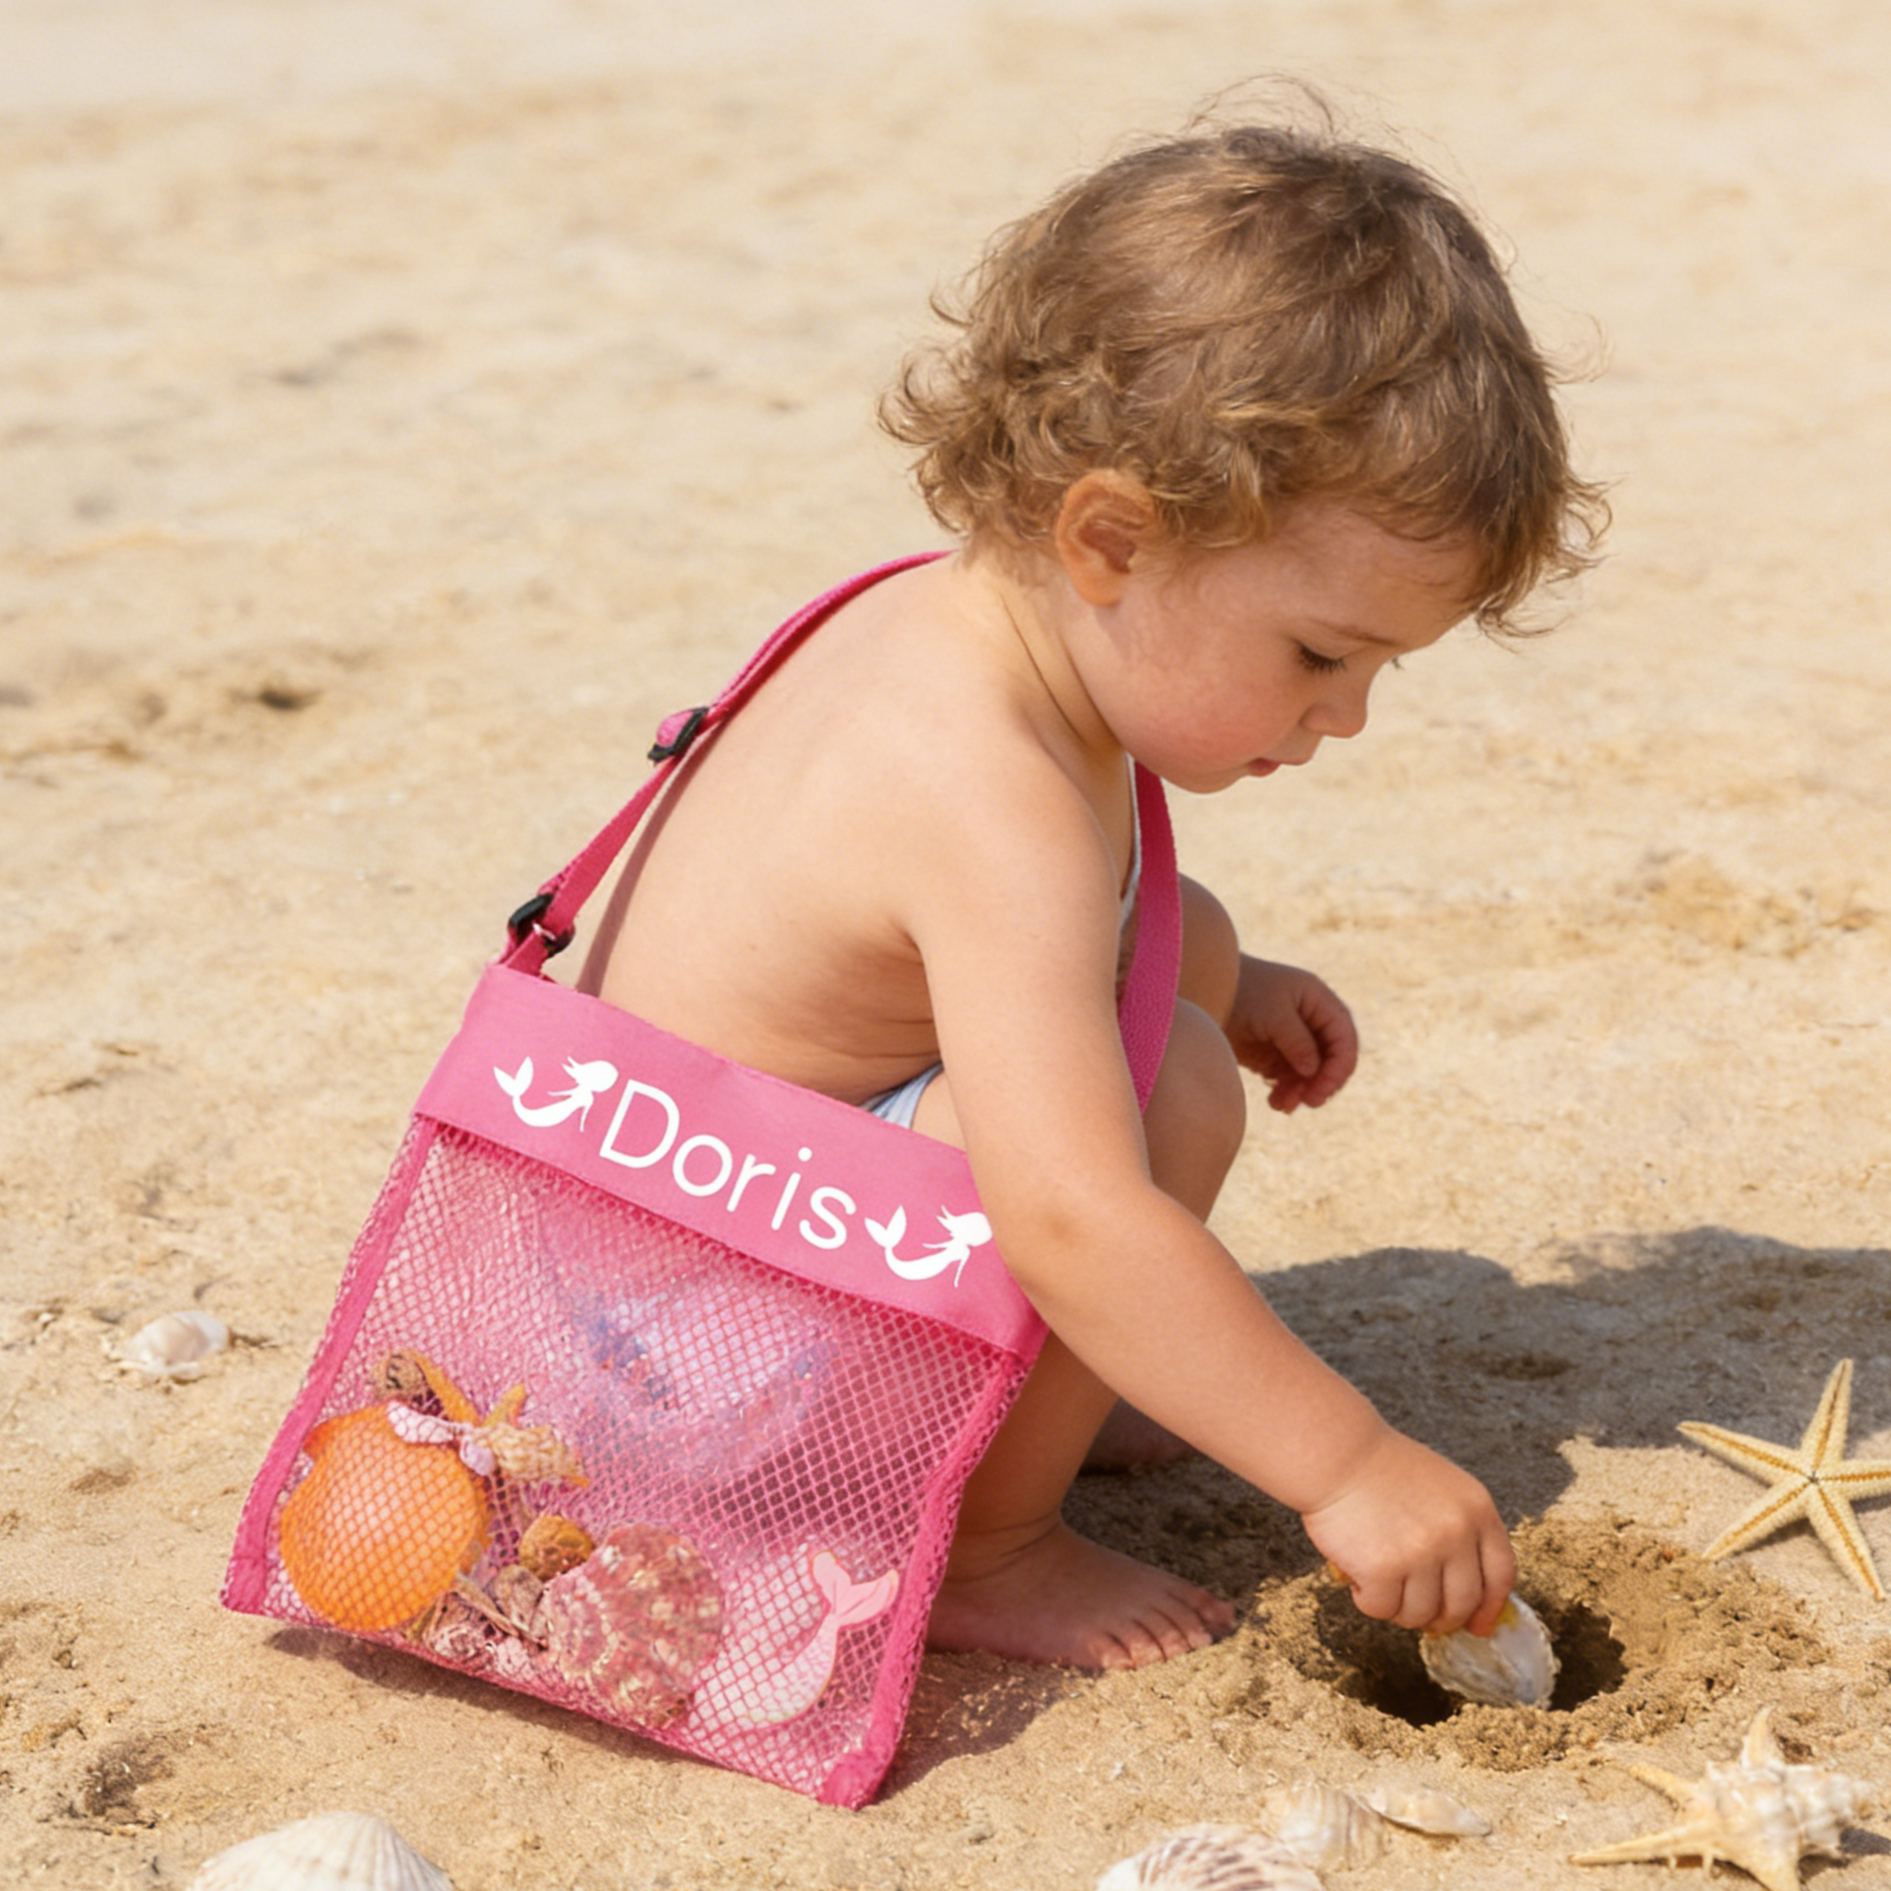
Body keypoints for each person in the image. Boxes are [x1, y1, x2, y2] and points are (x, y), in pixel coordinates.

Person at [576, 116, 1607, 1673]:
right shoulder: (991, 802)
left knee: (1168, 977)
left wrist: (1232, 973)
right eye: (1322, 655)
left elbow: (1026, 951)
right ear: (1112, 538)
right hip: (687, 1378)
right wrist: (1347, 1464)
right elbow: (1068, 1217)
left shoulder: (936, 629)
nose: (1346, 717)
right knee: (1163, 1082)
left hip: (634, 1255)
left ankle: (1054, 1388)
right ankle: (984, 1545)